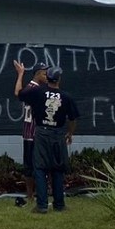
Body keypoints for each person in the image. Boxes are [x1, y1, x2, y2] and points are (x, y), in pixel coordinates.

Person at [17, 66, 79, 214]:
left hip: (41, 133)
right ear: (59, 79)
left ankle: (42, 205)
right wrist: (70, 133)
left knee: (39, 167)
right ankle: (59, 204)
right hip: (58, 133)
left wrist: (20, 75)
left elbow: (19, 93)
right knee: (58, 168)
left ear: (47, 78)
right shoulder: (66, 97)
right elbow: (73, 118)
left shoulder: (38, 92)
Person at [13, 60, 49, 202]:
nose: (47, 77)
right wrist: (21, 74)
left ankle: (35, 195)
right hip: (32, 133)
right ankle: (31, 195)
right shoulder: (34, 88)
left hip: (35, 133)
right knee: (32, 165)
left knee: (37, 165)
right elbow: (18, 93)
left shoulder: (41, 88)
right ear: (38, 74)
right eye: (45, 74)